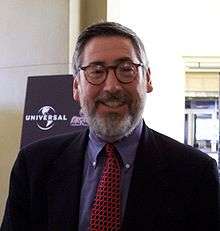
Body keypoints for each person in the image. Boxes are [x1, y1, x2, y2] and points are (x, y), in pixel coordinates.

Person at [1, 22, 219, 231]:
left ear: (148, 79)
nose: (112, 86)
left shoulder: (196, 173)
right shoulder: (34, 165)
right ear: (77, 87)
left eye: (126, 69)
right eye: (96, 71)